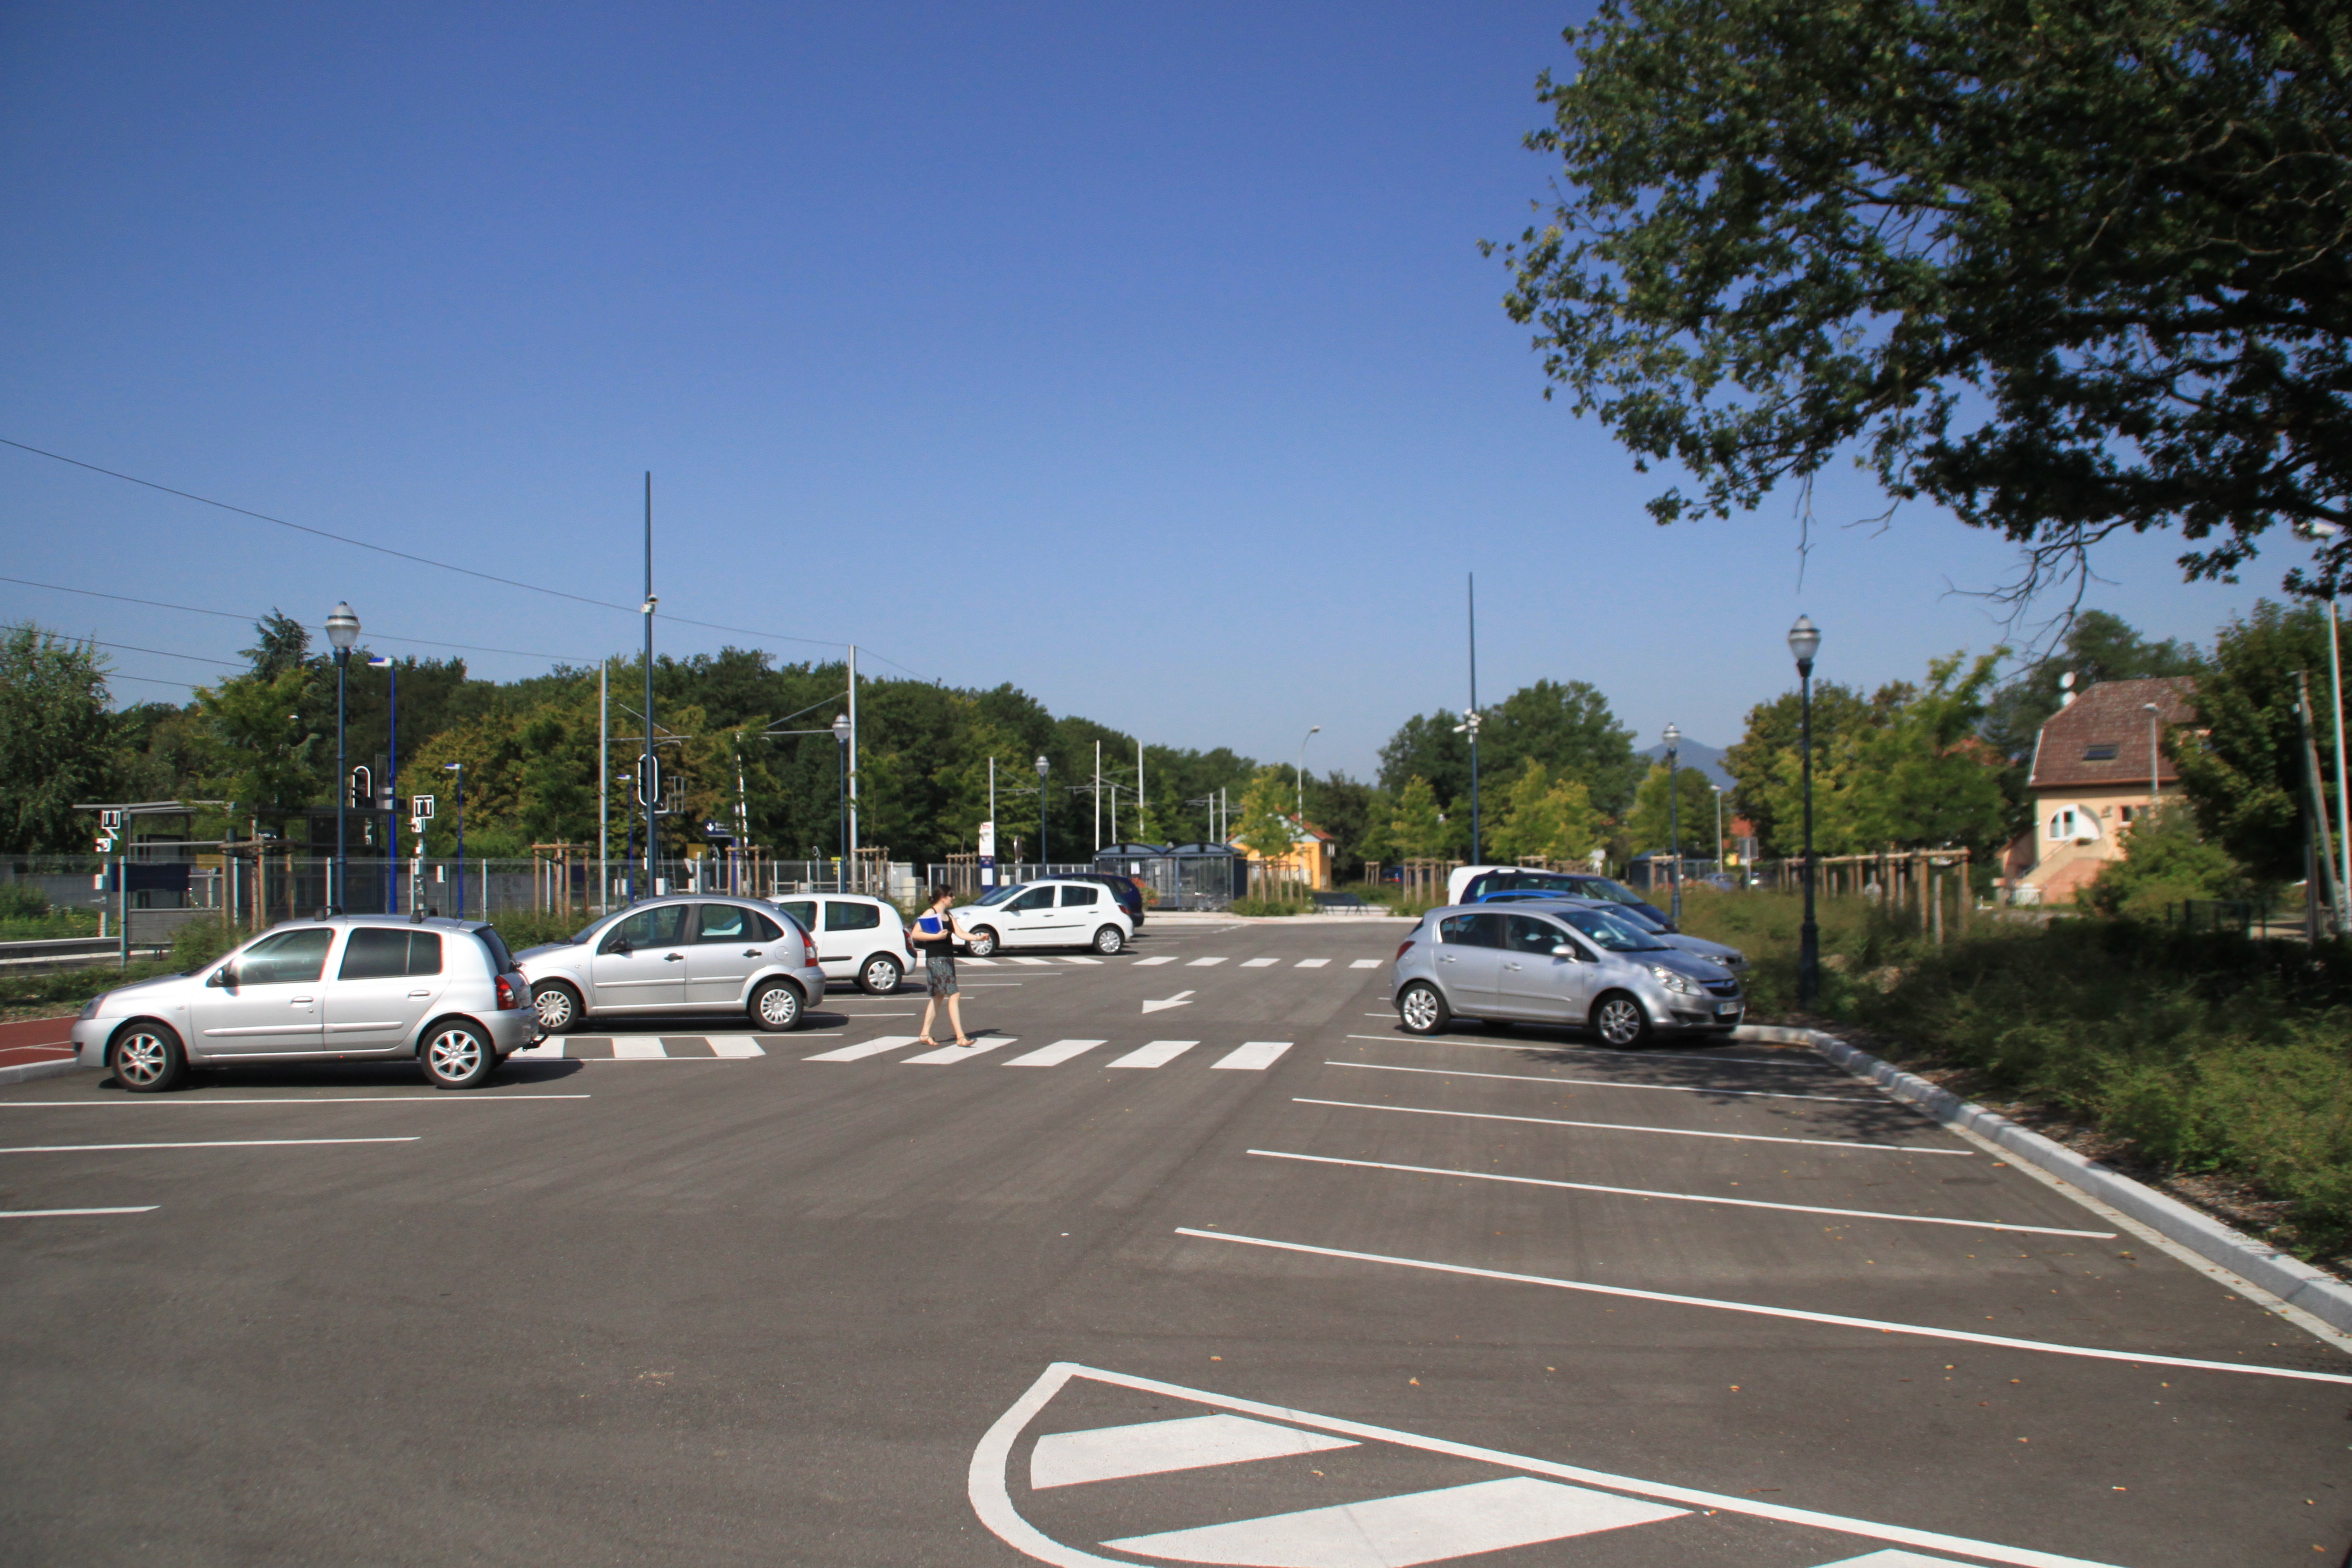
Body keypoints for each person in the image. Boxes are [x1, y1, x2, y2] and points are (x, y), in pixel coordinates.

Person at [910, 887, 976, 1047]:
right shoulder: (930, 913)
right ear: (942, 897)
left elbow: (960, 933)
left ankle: (925, 1033)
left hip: (946, 957)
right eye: (951, 895)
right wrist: (935, 936)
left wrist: (978, 937)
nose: (953, 898)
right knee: (953, 994)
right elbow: (915, 933)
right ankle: (960, 1036)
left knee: (938, 996)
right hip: (936, 958)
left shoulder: (948, 915)